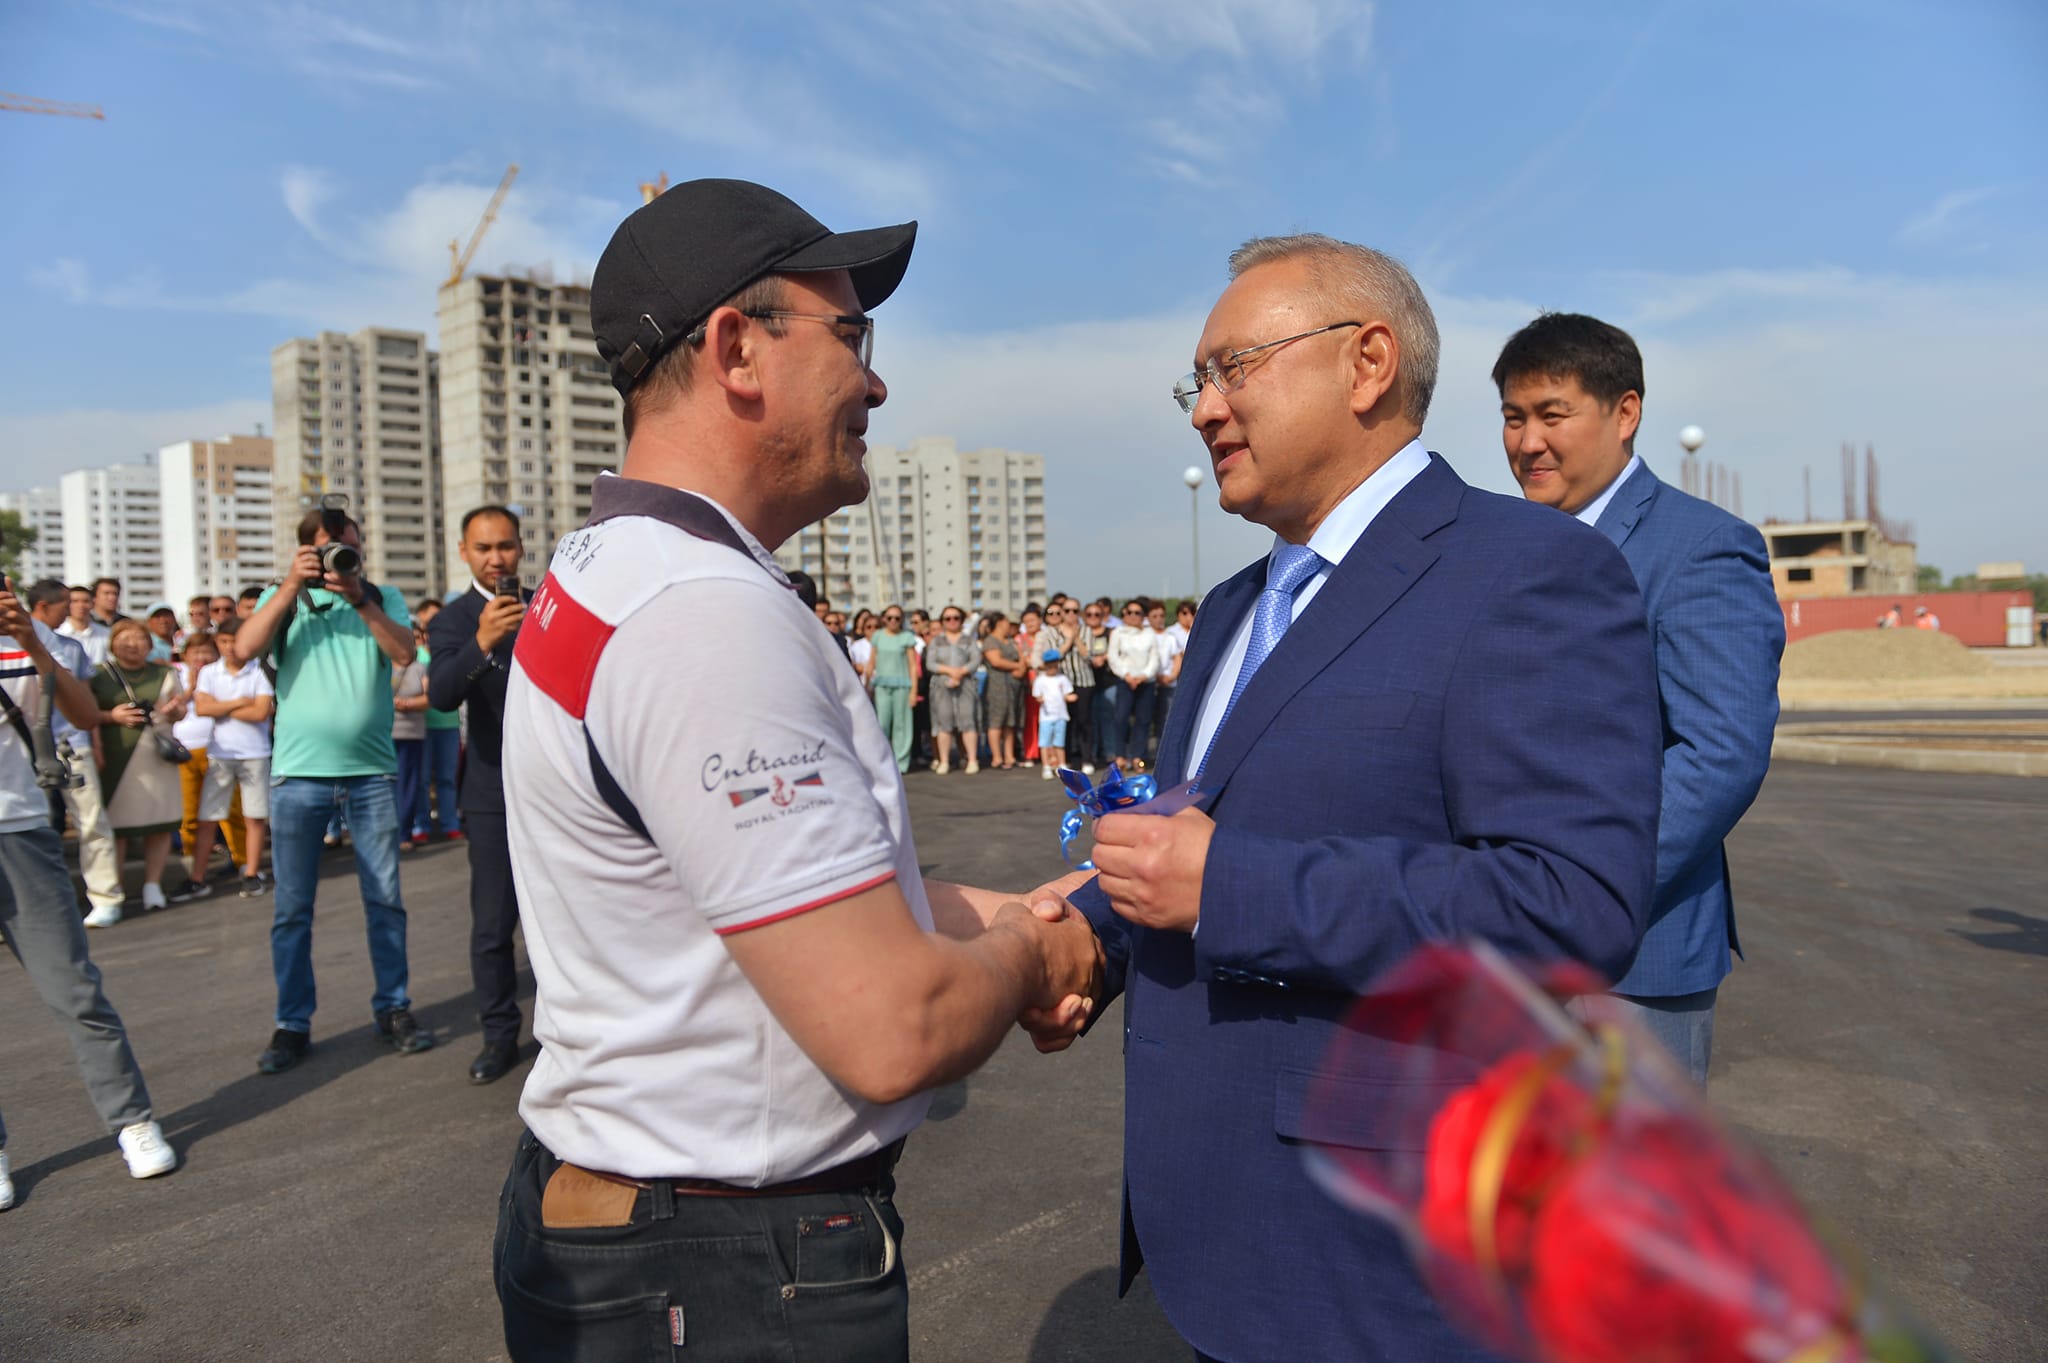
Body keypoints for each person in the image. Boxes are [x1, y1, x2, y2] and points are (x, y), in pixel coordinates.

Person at [492, 177, 1098, 1361]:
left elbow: (777, 898)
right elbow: (890, 1026)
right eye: (850, 335)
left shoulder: (616, 565)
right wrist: (1032, 953)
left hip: (652, 1232)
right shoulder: (699, 615)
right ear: (735, 349)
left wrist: (1030, 908)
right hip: (722, 1273)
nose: (874, 383)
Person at [1035, 233, 1661, 1362]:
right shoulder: (1233, 607)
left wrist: (1229, 885)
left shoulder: (1529, 571)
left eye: (1233, 369)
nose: (1203, 410)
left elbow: (1570, 904)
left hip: (1382, 1254)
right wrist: (1089, 930)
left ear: (1368, 361)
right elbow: (1197, 829)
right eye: (1195, 382)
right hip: (1217, 1218)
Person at [1496, 311, 1784, 1085]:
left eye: (1552, 415)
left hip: (1628, 964)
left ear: (1625, 413)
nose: (1528, 442)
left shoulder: (1699, 548)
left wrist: (1578, 888)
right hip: (1501, 951)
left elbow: (1720, 752)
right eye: (1513, 418)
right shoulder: (1507, 547)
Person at [234, 507, 429, 1076]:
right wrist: (290, 585)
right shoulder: (283, 597)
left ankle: (393, 1007)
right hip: (298, 775)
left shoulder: (382, 597)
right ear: (304, 551)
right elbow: (242, 648)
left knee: (385, 900)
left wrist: (360, 598)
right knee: (292, 909)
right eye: (327, 548)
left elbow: (403, 655)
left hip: (371, 773)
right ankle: (292, 1022)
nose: (341, 557)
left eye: (350, 546)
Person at [0, 582, 176, 1208]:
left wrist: (30, 642)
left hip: (20, 828)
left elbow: (79, 713)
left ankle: (133, 1121)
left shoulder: (29, 635)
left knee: (75, 989)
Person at [426, 504, 531, 1085]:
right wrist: (483, 642)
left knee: (572, 916)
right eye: (484, 548)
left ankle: (579, 1030)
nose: (496, 559)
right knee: (493, 926)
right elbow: (442, 694)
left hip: (558, 790)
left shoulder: (547, 605)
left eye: (506, 546)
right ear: (464, 552)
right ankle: (499, 1034)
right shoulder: (453, 619)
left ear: (521, 548)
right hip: (491, 792)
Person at [25, 581, 125, 926]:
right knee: (29, 828)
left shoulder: (71, 648)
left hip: (71, 743)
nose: (71, 609)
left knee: (91, 821)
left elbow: (86, 701)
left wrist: (95, 742)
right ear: (42, 606)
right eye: (64, 604)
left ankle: (105, 896)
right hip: (26, 749)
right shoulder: (11, 646)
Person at [88, 620, 188, 915]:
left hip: (157, 755)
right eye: (125, 638)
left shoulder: (165, 672)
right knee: (116, 827)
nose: (132, 644)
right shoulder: (98, 675)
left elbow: (181, 709)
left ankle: (153, 885)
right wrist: (112, 716)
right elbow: (85, 714)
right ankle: (113, 888)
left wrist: (176, 711)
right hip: (116, 757)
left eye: (139, 638)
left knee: (159, 823)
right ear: (112, 643)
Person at [188, 618, 273, 900]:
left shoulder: (258, 670)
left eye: (234, 641)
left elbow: (261, 712)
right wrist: (240, 702)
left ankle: (251, 873)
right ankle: (197, 877)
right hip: (220, 753)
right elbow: (202, 708)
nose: (229, 647)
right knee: (208, 818)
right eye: (223, 641)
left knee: (254, 817)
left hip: (255, 752)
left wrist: (219, 707)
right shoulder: (209, 672)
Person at [167, 631, 248, 900]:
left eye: (206, 652)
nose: (201, 657)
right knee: (189, 814)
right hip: (185, 752)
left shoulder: (223, 674)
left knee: (230, 811)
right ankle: (193, 867)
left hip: (221, 750)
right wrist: (191, 687)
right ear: (185, 655)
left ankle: (243, 861)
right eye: (195, 652)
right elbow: (171, 707)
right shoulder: (174, 675)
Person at [1105, 597, 1161, 772]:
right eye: (1129, 612)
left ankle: (1138, 756)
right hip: (1125, 680)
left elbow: (1154, 658)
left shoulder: (1149, 633)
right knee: (1121, 718)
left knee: (1143, 720)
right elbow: (1113, 657)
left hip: (1145, 681)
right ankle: (1120, 755)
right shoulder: (1118, 632)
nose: (1133, 616)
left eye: (1138, 613)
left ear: (1143, 616)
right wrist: (1126, 675)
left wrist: (1145, 675)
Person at [925, 605, 980, 774]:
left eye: (956, 618)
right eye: (947, 618)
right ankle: (944, 761)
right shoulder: (936, 641)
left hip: (965, 684)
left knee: (968, 720)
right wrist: (950, 671)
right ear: (942, 621)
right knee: (944, 722)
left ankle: (972, 760)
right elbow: (930, 663)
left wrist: (961, 672)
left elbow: (975, 659)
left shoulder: (968, 640)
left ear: (962, 620)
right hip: (941, 686)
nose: (952, 621)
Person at [866, 605, 920, 774]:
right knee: (882, 723)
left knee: (901, 724)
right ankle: (881, 761)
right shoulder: (878, 636)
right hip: (882, 685)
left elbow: (912, 666)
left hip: (902, 685)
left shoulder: (907, 637)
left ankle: (901, 762)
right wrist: (866, 685)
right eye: (889, 617)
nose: (893, 621)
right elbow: (871, 662)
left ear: (902, 620)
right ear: (884, 619)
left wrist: (914, 691)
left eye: (897, 618)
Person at [980, 611, 1027, 770]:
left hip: (1014, 687)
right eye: (1007, 621)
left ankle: (1009, 756)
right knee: (996, 721)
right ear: (999, 622)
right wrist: (1016, 666)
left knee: (1010, 722)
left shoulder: (1011, 641)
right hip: (997, 686)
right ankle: (997, 757)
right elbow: (996, 661)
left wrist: (1021, 668)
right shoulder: (990, 641)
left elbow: (1022, 657)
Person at [1032, 650, 1076, 779]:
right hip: (1046, 717)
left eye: (1055, 665)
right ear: (1045, 665)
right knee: (1045, 743)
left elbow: (1066, 693)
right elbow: (1037, 695)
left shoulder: (1062, 679)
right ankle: (1046, 766)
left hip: (1060, 715)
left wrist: (1069, 697)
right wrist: (1040, 699)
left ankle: (1062, 764)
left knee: (1059, 743)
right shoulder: (1040, 680)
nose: (1052, 668)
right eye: (1050, 665)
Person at [1147, 599, 1184, 750]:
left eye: (1161, 615)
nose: (1159, 619)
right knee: (1146, 719)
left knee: (1166, 719)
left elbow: (1177, 658)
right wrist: (1156, 676)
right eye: (1154, 616)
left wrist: (1172, 676)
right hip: (1150, 681)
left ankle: (1162, 751)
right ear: (1148, 617)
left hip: (1168, 682)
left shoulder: (1170, 637)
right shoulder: (1145, 636)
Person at [59, 586, 111, 667]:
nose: (81, 605)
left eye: (85, 601)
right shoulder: (58, 633)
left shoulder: (107, 634)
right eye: (75, 601)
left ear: (92, 604)